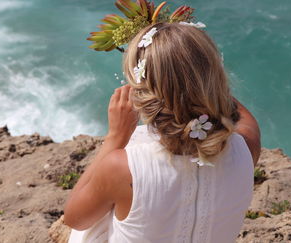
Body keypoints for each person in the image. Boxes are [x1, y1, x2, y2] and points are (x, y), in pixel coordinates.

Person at [64, 22, 260, 242]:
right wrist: (200, 77)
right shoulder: (247, 145)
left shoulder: (122, 168)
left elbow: (75, 219)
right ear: (216, 78)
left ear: (142, 90)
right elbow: (240, 115)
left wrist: (115, 138)